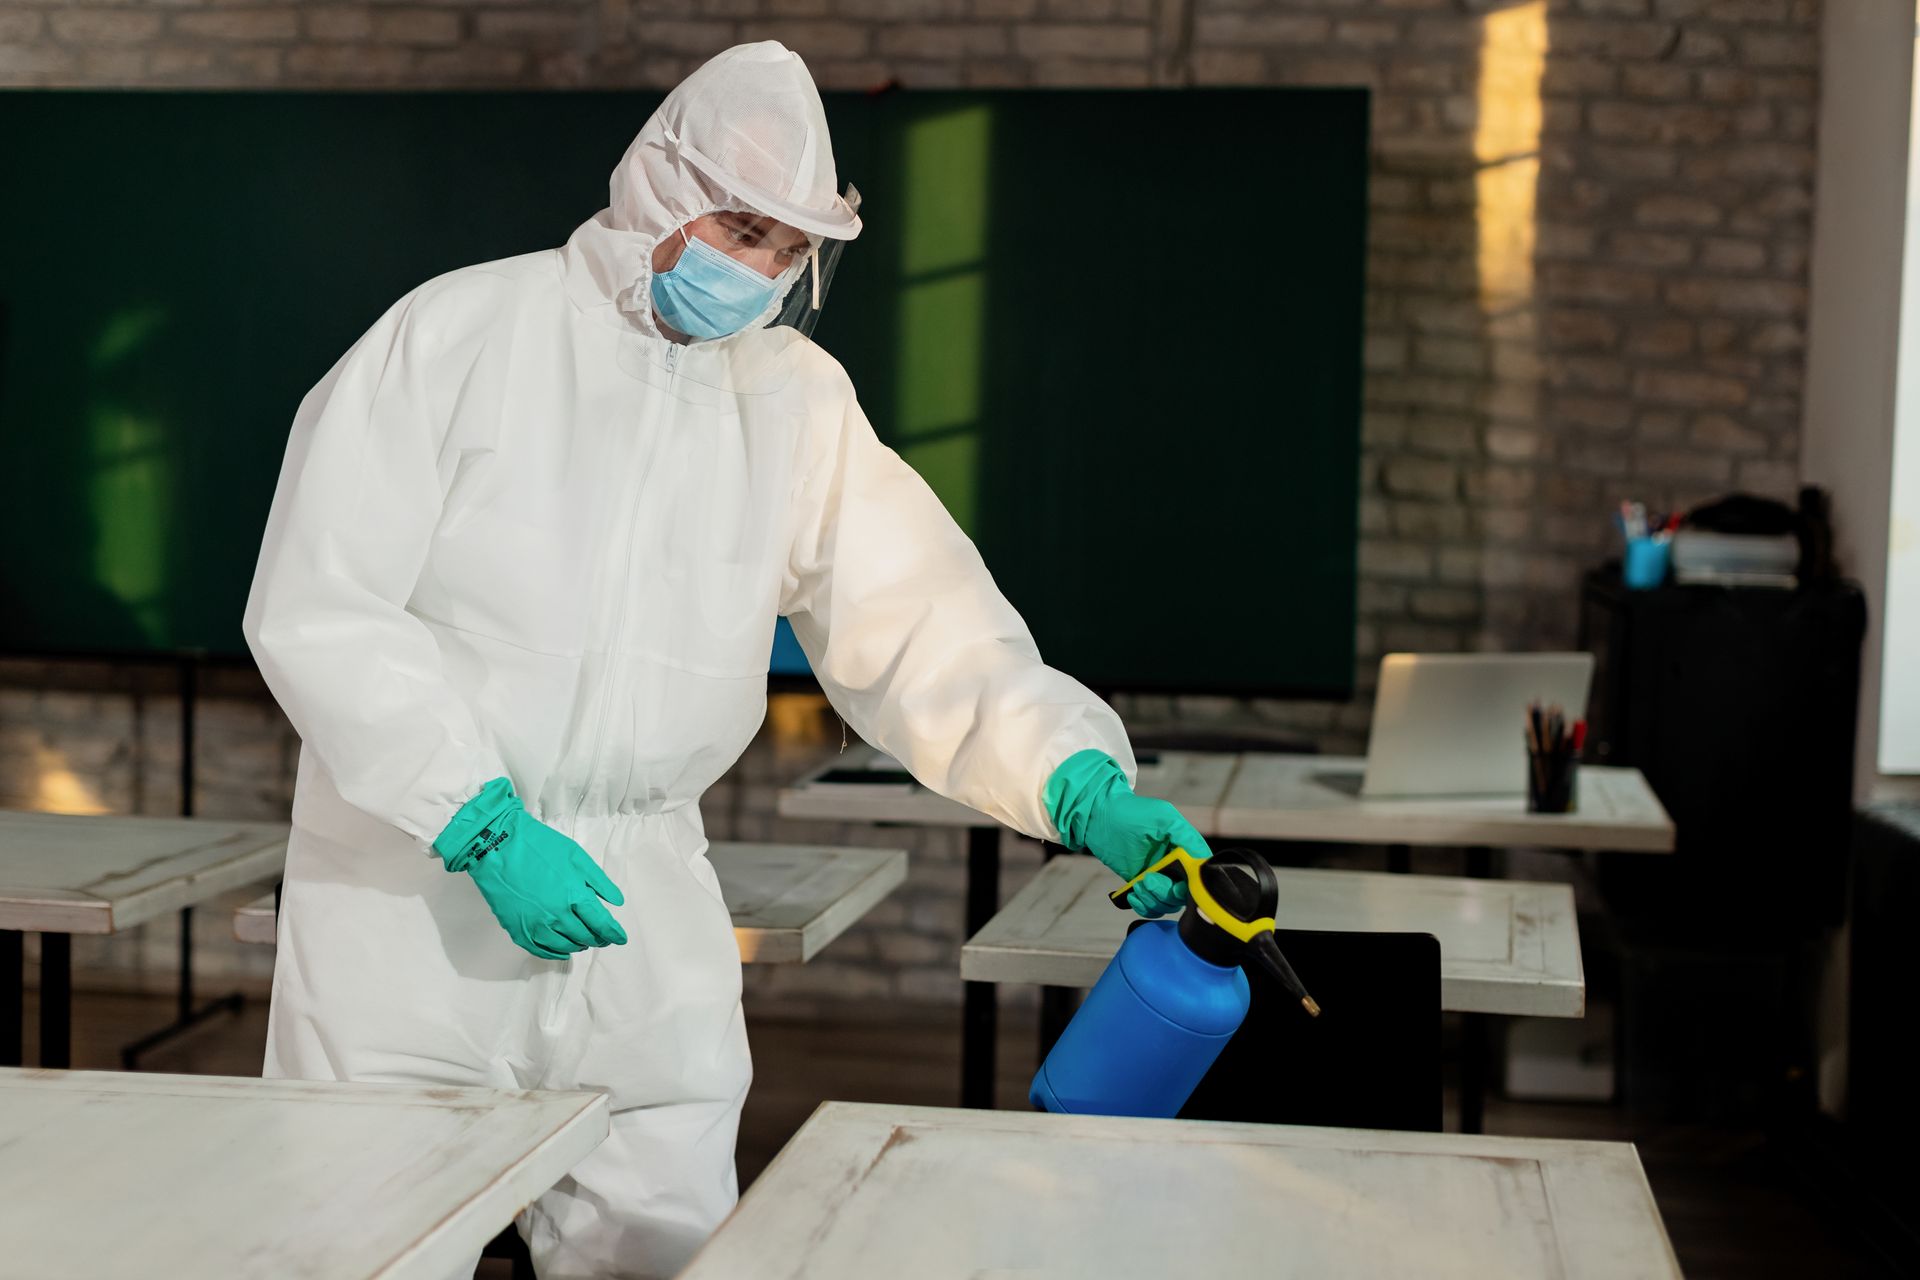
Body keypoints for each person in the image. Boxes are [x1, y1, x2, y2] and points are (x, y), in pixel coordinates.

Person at [243, 41, 1212, 1280]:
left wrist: (1078, 782)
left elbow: (918, 618)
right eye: (738, 225)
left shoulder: (792, 401)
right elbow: (322, 604)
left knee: (668, 1246)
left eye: (787, 245)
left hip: (642, 914)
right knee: (360, 1248)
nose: (755, 267)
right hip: (410, 906)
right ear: (658, 186)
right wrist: (476, 818)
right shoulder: (460, 337)